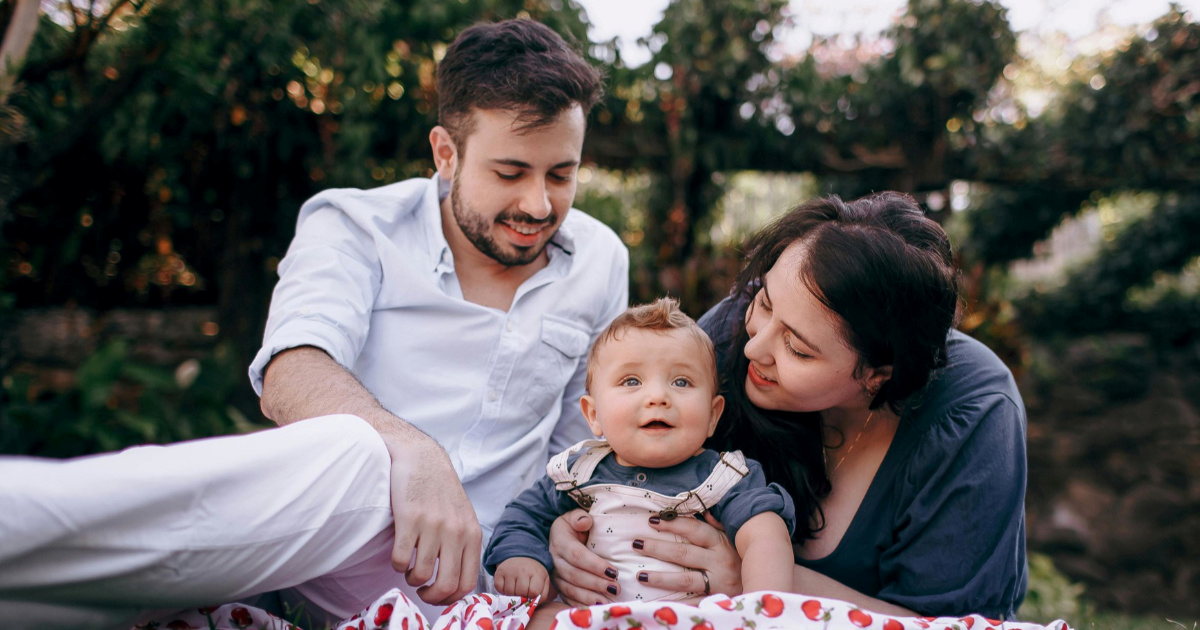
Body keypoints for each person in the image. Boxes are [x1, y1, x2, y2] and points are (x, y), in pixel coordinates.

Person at [0, 17, 627, 629]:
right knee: (356, 447)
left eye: (561, 175)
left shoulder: (601, 260)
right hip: (350, 535)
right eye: (510, 173)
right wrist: (412, 453)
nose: (539, 205)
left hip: (492, 578)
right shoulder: (354, 225)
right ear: (446, 153)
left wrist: (559, 536)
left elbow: (581, 446)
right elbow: (291, 370)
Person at [546, 192, 1028, 621]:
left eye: (798, 349)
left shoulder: (974, 415)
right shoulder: (735, 333)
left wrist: (758, 582)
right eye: (764, 300)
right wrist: (567, 535)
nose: (755, 349)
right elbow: (620, 456)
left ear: (877, 375)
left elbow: (953, 624)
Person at [483, 298, 795, 628]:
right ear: (593, 415)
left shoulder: (720, 477)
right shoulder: (579, 471)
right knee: (537, 619)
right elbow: (523, 515)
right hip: (593, 618)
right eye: (632, 381)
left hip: (689, 619)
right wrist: (522, 557)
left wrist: (760, 609)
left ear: (712, 416)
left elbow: (765, 534)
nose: (658, 396)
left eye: (681, 382)